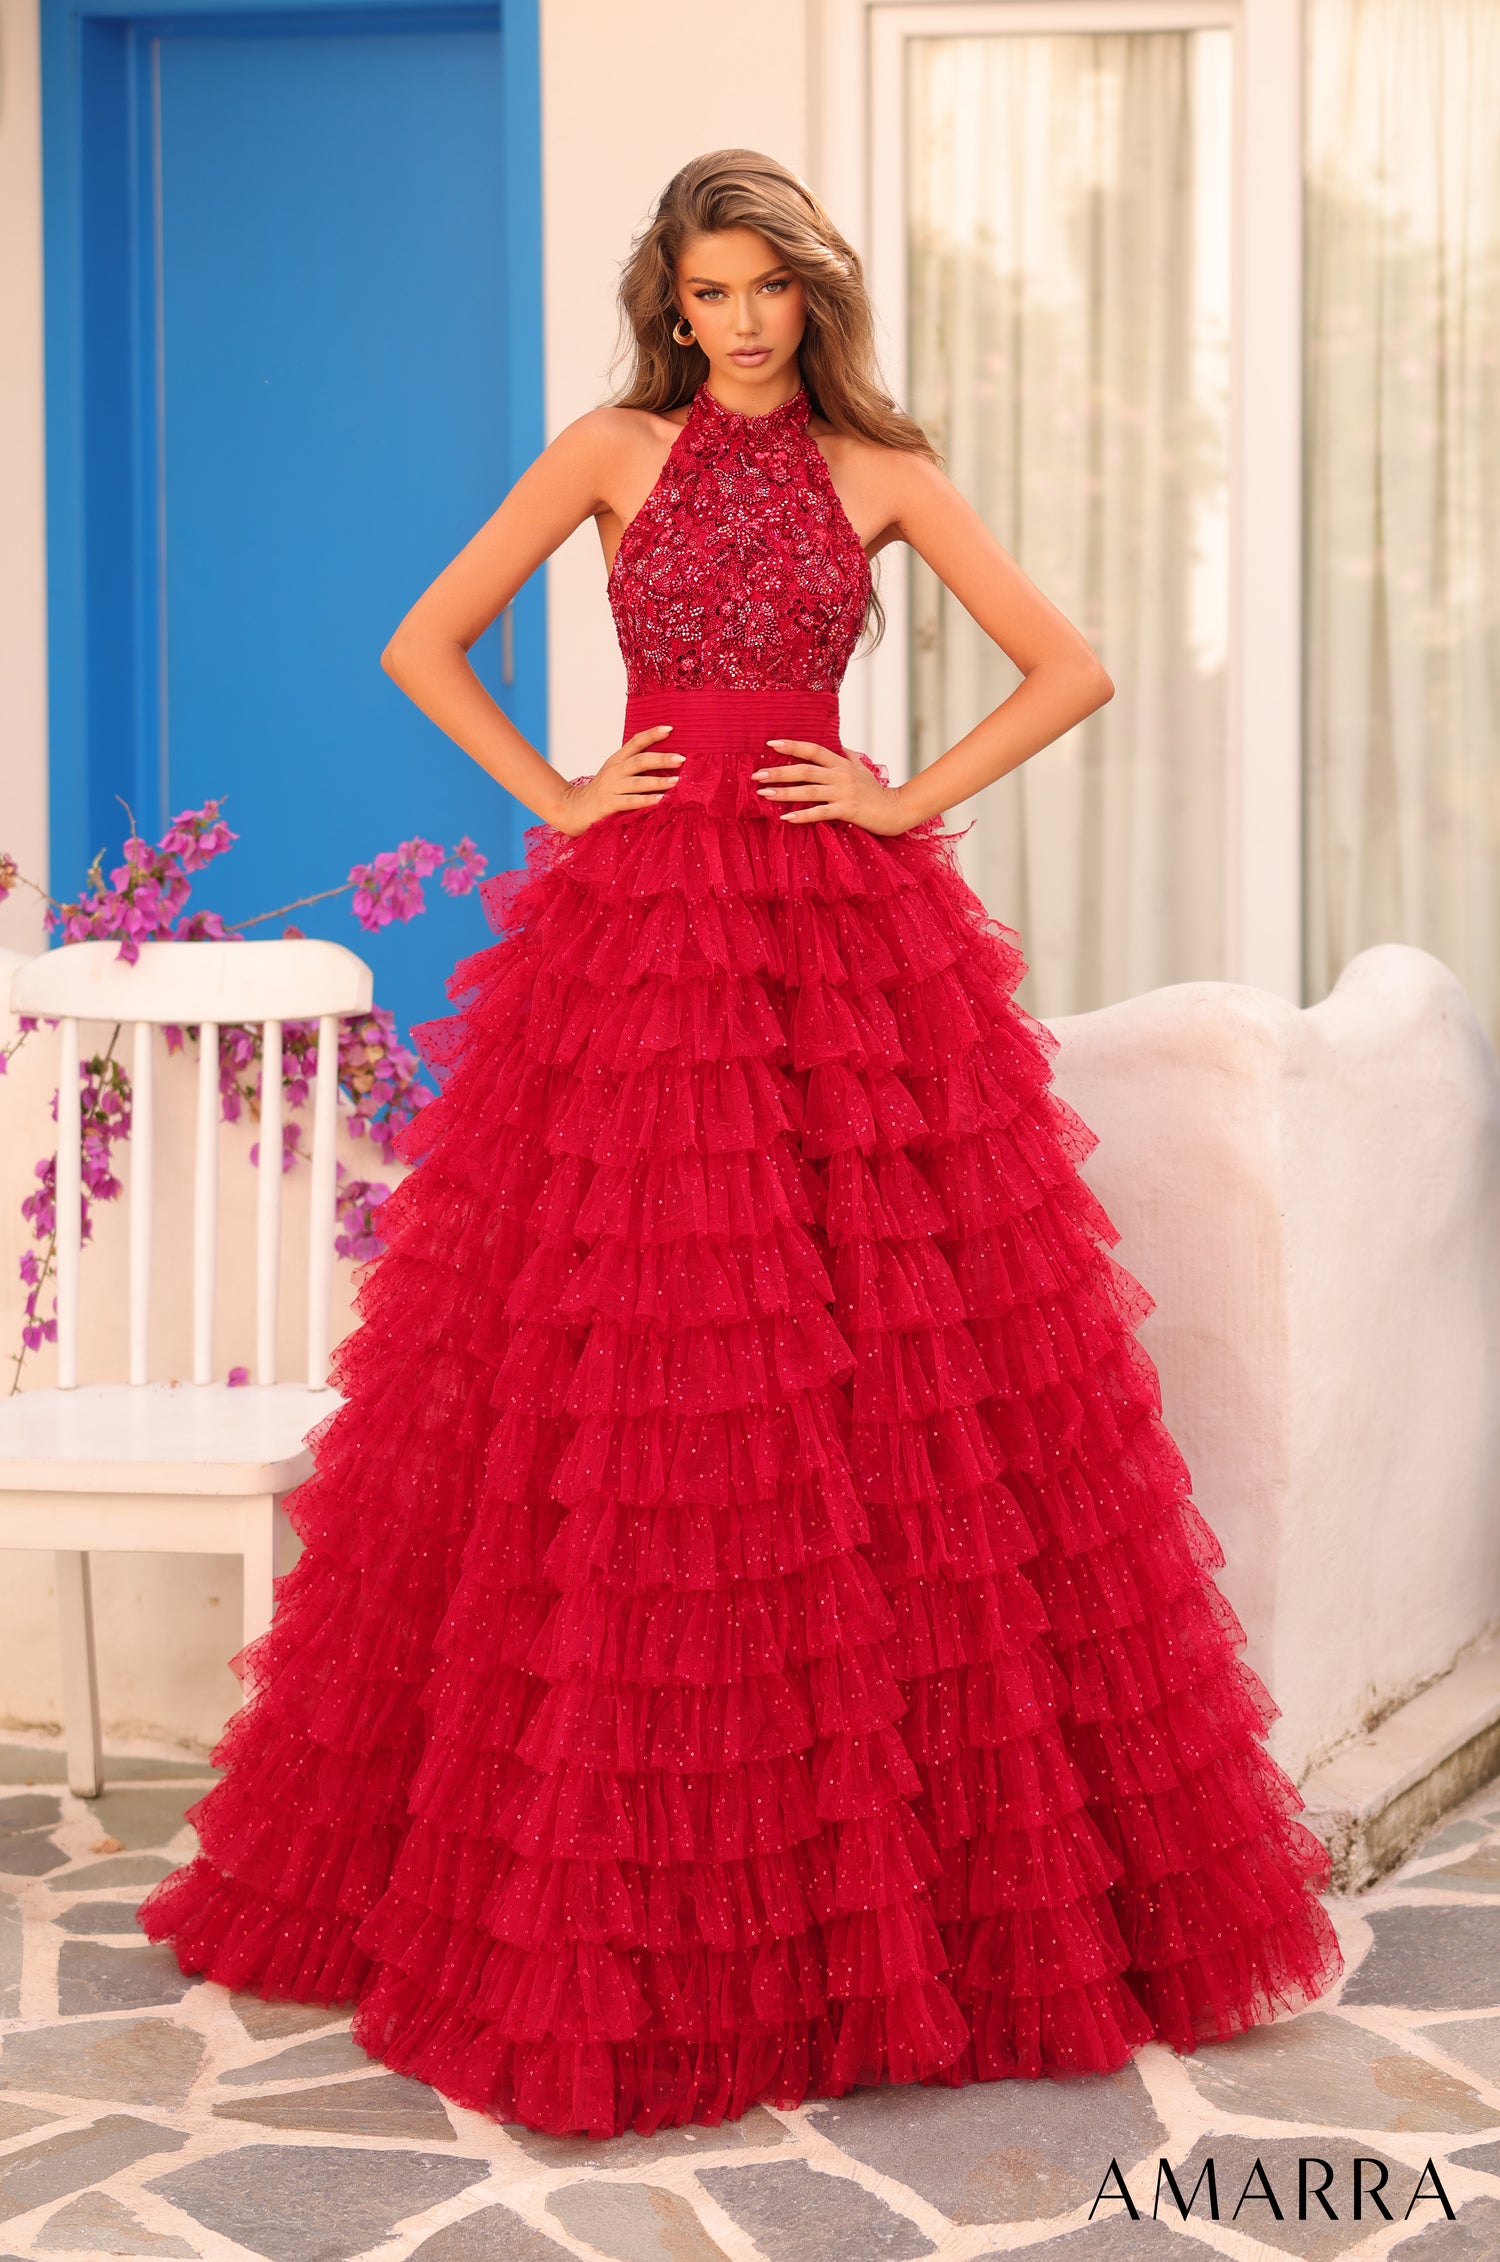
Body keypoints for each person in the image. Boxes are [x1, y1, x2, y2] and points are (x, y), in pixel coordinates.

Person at [139, 147, 1344, 2139]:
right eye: (710, 294)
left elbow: (1075, 665)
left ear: (809, 295)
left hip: (837, 949)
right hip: (637, 942)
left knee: (886, 1367)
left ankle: (888, 1905)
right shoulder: (612, 447)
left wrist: (895, 802)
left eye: (769, 288)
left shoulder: (882, 473)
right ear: (671, 308)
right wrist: (559, 785)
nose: (746, 321)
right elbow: (426, 638)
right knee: (640, 1362)